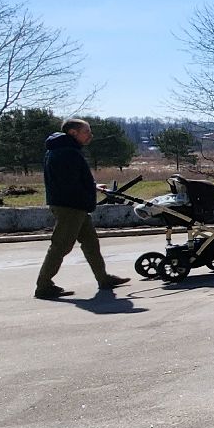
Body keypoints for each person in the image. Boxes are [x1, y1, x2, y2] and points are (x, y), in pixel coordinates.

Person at [35, 119, 129, 299]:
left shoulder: (62, 150)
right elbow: (69, 183)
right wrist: (85, 191)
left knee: (91, 243)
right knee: (60, 245)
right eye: (87, 132)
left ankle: (103, 278)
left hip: (74, 204)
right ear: (73, 133)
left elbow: (72, 178)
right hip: (70, 206)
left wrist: (92, 185)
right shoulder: (66, 152)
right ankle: (43, 286)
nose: (90, 136)